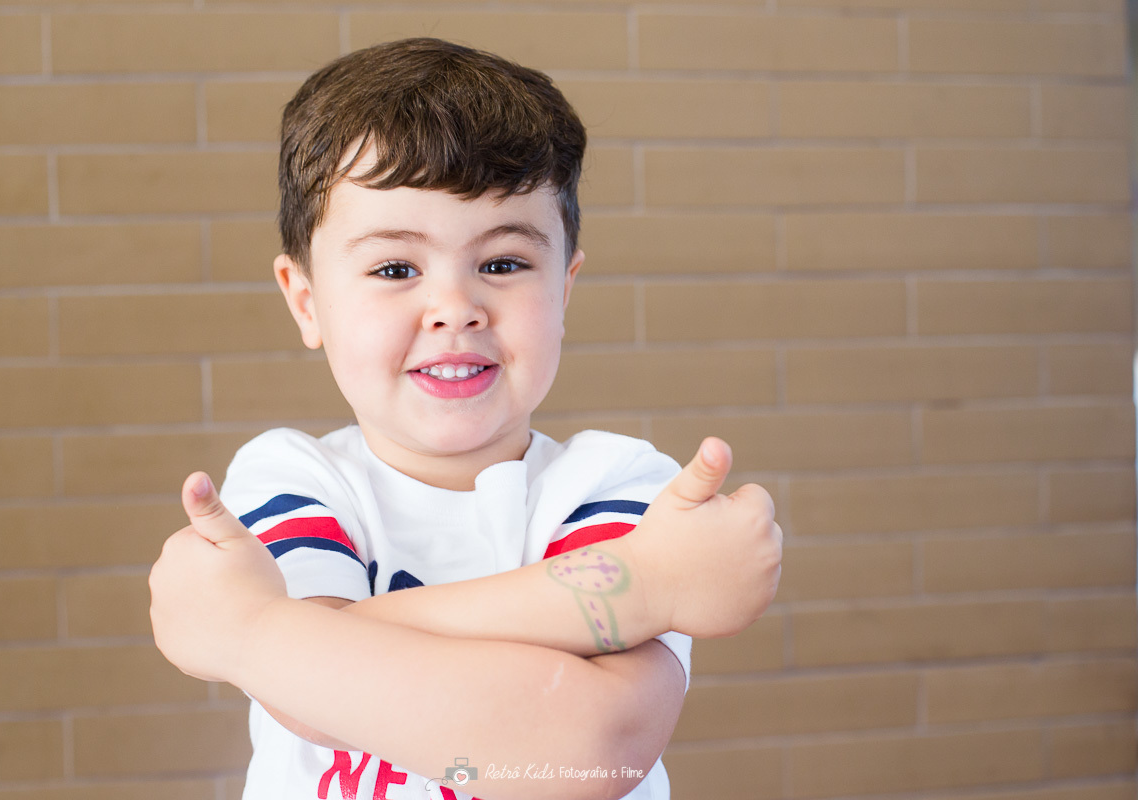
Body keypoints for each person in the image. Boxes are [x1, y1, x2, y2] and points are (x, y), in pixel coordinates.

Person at [149, 37, 782, 800]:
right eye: (394, 269)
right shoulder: (291, 479)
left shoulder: (619, 484)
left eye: (504, 263)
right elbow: (313, 693)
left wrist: (248, 630)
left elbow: (591, 750)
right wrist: (632, 587)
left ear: (565, 288)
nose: (455, 308)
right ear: (306, 299)